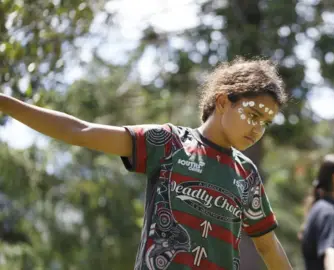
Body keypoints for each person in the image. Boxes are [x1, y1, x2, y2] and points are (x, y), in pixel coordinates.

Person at [0, 57, 293, 270]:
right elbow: (80, 131)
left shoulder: (247, 174)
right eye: (253, 115)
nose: (258, 130)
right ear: (222, 102)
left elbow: (267, 246)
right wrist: (5, 103)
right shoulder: (168, 144)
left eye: (266, 123)